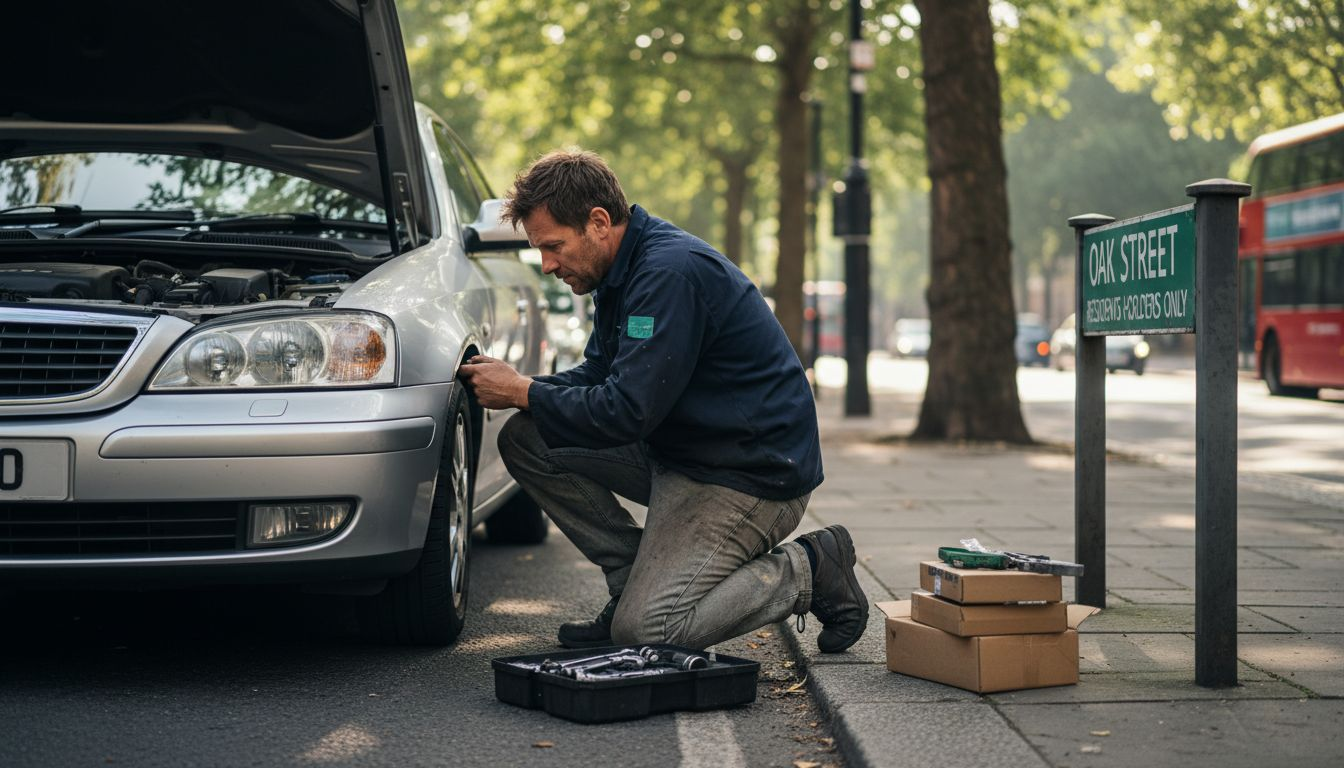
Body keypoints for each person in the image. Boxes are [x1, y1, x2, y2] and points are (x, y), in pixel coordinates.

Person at [458, 150, 867, 652]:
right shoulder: (616, 271)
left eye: (553, 246)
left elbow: (626, 412)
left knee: (649, 631)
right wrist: (525, 387)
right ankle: (631, 584)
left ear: (599, 223)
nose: (547, 265)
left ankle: (810, 569)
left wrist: (521, 390)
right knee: (528, 436)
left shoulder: (668, 274)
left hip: (751, 475)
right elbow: (600, 375)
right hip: (682, 451)